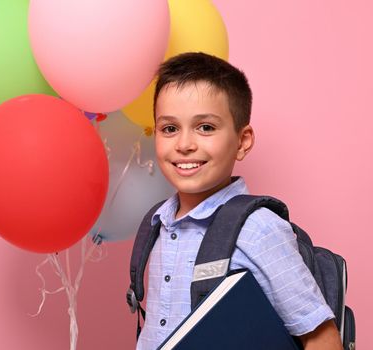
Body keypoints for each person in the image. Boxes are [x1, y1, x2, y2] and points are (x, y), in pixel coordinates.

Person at [135, 52, 343, 350]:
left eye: (205, 127)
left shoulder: (258, 229)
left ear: (242, 141)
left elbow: (322, 339)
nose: (184, 144)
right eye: (170, 128)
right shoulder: (157, 224)